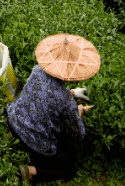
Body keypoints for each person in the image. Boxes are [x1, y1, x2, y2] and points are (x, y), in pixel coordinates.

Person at [7, 34, 99, 183]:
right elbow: (78, 135)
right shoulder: (65, 100)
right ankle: (31, 172)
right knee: (68, 170)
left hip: (13, 120)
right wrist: (78, 112)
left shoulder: (37, 70)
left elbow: (47, 94)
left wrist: (72, 94)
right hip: (33, 138)